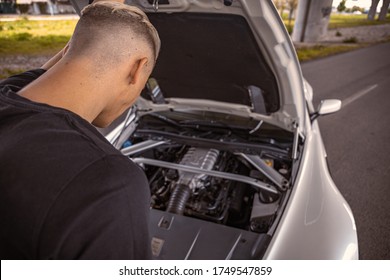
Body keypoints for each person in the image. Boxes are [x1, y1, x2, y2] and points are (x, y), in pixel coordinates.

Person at [0, 0, 160, 259]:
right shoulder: (107, 181)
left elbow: (50, 70)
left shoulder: (8, 93)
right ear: (138, 68)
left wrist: (97, 20)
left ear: (65, 52)